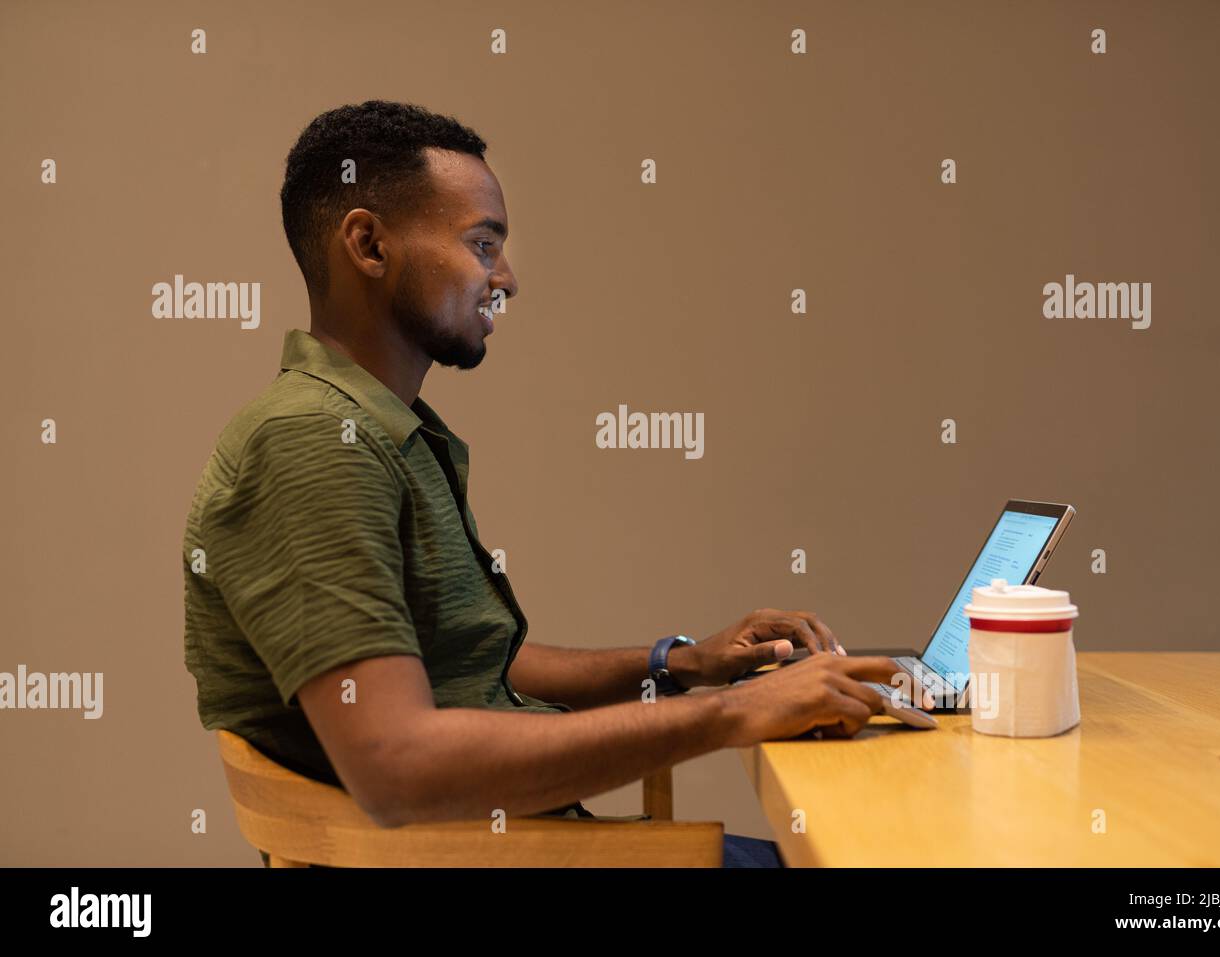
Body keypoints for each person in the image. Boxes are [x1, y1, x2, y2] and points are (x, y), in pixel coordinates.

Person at [183, 101, 927, 869]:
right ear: (370, 245)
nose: (506, 278)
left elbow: (472, 662)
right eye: (482, 244)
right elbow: (395, 762)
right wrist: (736, 712)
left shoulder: (379, 430)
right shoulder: (311, 443)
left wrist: (680, 664)